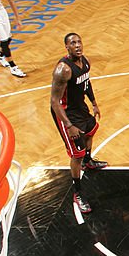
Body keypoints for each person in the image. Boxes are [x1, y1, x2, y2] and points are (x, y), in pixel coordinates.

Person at [50, 32, 107, 214]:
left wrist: (94, 103)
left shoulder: (85, 62)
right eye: (73, 43)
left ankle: (88, 161)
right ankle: (78, 192)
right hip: (65, 113)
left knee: (91, 130)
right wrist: (68, 125)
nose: (77, 45)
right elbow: (54, 101)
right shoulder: (63, 70)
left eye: (79, 42)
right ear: (67, 47)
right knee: (76, 153)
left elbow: (86, 83)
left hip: (79, 108)